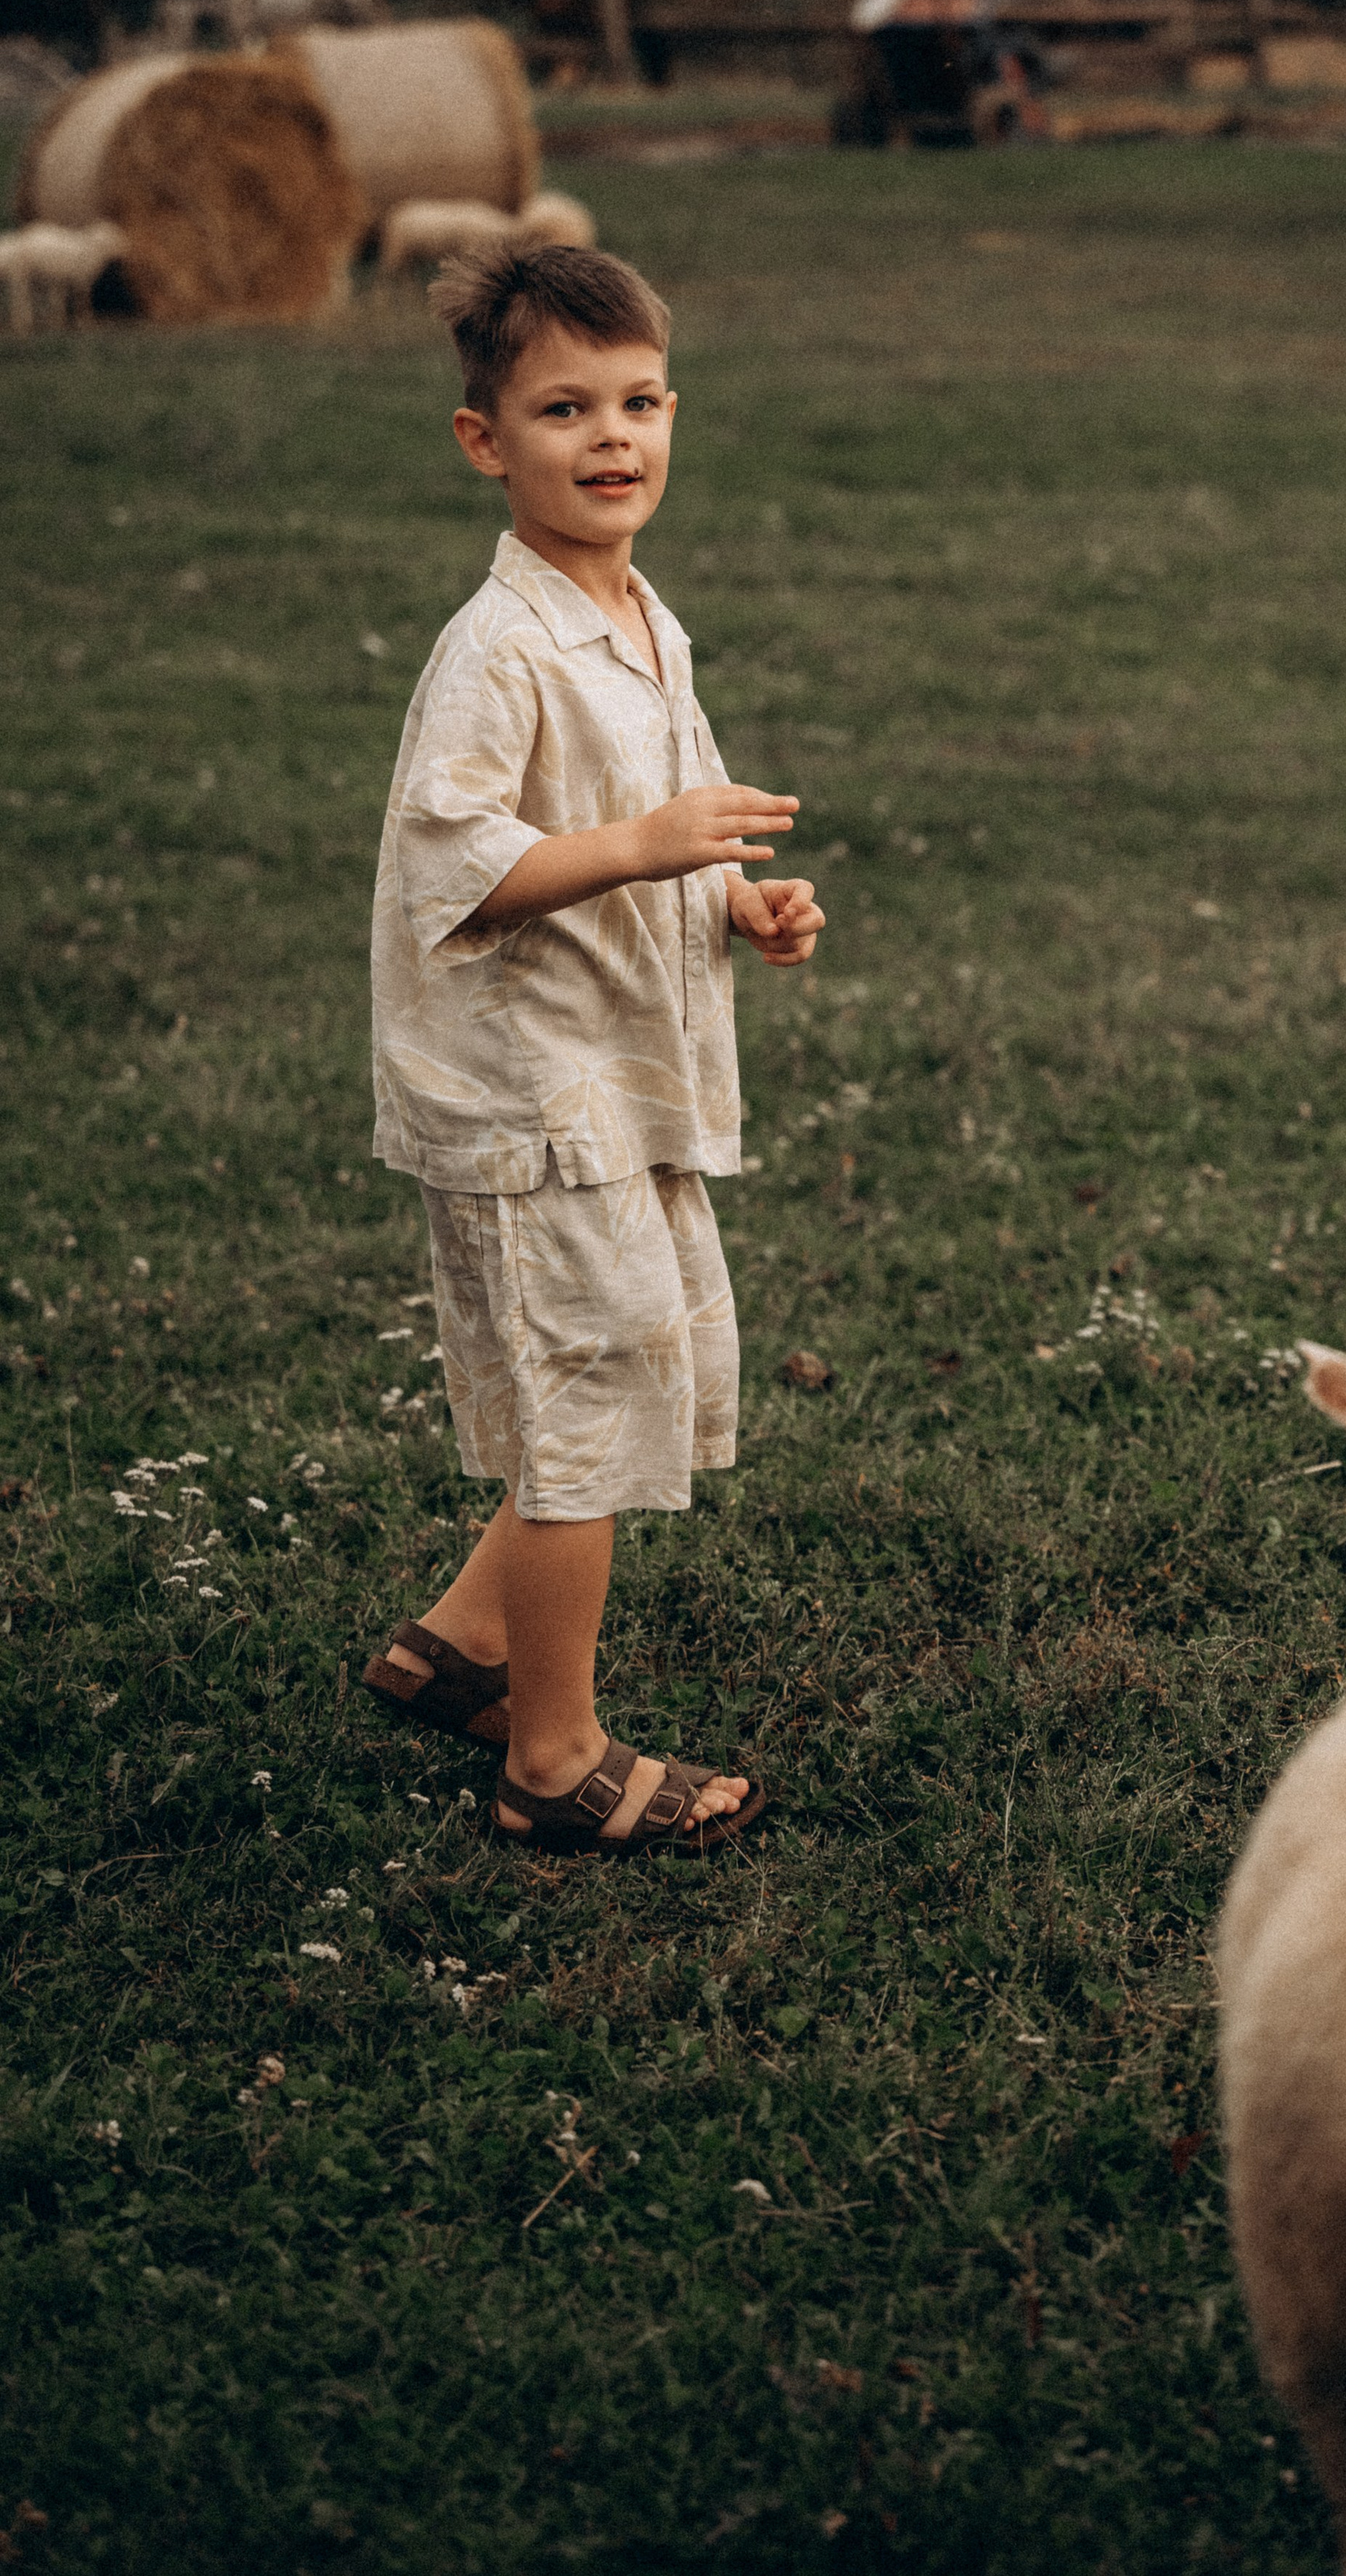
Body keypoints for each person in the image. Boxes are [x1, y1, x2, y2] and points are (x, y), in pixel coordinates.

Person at [358, 243, 823, 1854]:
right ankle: (548, 1757)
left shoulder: (636, 614)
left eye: (634, 403)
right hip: (526, 1101)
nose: (609, 436)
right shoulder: (498, 649)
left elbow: (665, 835)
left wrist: (737, 904)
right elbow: (461, 864)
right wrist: (643, 843)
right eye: (563, 408)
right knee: (591, 1398)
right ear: (487, 439)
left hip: (612, 1080)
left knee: (626, 1366)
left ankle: (459, 1646)